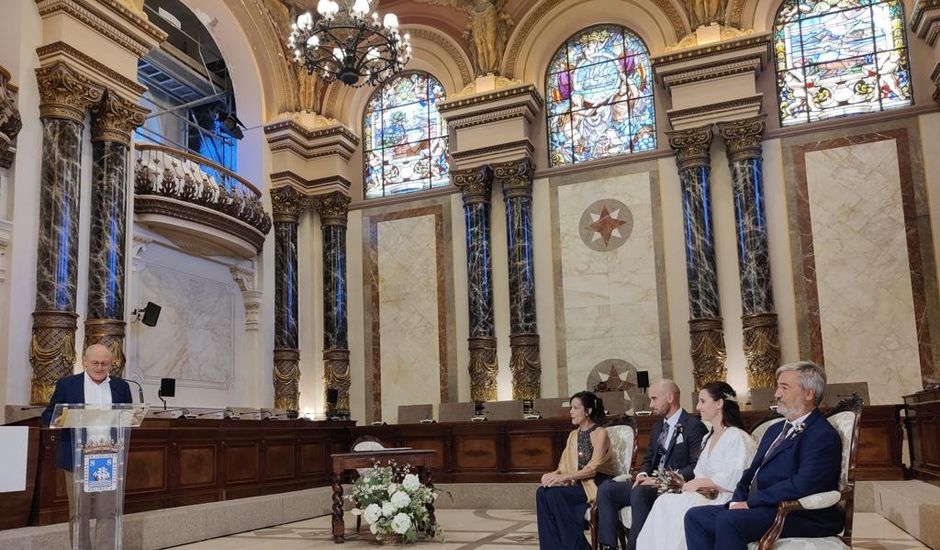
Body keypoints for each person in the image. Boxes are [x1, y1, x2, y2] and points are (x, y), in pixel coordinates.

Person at [685, 361, 844, 550]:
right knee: (695, 516)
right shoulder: (774, 429)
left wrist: (751, 503)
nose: (776, 394)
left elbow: (803, 484)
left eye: (784, 388)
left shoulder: (821, 434)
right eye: (778, 387)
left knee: (729, 521)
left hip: (797, 513)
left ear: (809, 394)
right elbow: (750, 473)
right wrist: (738, 500)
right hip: (763, 507)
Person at [637, 381, 756, 549]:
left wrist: (700, 483)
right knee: (664, 501)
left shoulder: (736, 436)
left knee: (679, 506)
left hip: (723, 498)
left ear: (719, 403)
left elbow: (736, 477)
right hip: (704, 493)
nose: (698, 407)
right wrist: (691, 485)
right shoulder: (709, 438)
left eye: (702, 401)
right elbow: (699, 471)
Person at [595, 379, 707, 550]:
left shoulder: (693, 426)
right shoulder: (657, 427)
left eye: (654, 399)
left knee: (640, 493)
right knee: (606, 489)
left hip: (674, 485)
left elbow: (695, 466)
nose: (650, 404)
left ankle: (636, 547)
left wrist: (661, 480)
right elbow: (648, 460)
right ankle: (609, 546)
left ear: (670, 397)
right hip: (649, 483)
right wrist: (642, 475)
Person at [41, 344, 133, 550]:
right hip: (77, 457)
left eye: (105, 364)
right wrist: (68, 418)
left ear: (111, 364)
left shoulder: (121, 387)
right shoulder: (68, 385)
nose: (100, 367)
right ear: (84, 361)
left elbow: (129, 417)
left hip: (109, 457)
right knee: (79, 513)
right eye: (95, 363)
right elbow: (48, 416)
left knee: (108, 511)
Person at [536, 391, 617, 550]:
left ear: (588, 411)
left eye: (575, 407)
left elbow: (592, 469)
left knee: (554, 495)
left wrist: (563, 478)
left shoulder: (601, 433)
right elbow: (563, 467)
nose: (571, 411)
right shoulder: (573, 435)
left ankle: (578, 547)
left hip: (595, 483)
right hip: (577, 482)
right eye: (571, 407)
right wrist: (550, 476)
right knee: (542, 492)